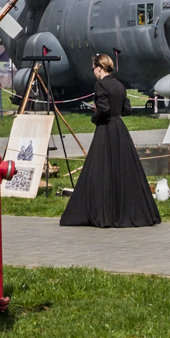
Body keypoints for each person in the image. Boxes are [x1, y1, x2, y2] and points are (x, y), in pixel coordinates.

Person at [60, 54, 161, 228]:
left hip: (105, 129)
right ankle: (129, 211)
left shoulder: (100, 85)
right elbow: (127, 109)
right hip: (120, 130)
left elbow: (104, 110)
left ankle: (103, 211)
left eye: (93, 68)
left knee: (100, 171)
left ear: (100, 67)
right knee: (124, 171)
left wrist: (95, 117)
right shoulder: (119, 85)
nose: (93, 71)